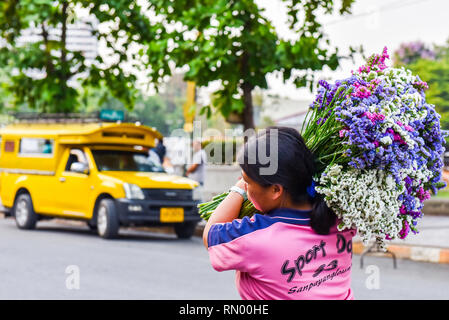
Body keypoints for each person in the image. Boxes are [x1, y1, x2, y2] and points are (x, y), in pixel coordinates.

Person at [202, 126, 355, 300]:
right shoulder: (341, 219)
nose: (245, 185)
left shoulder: (258, 235)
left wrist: (237, 191)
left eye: (247, 181)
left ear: (275, 190)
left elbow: (210, 235)